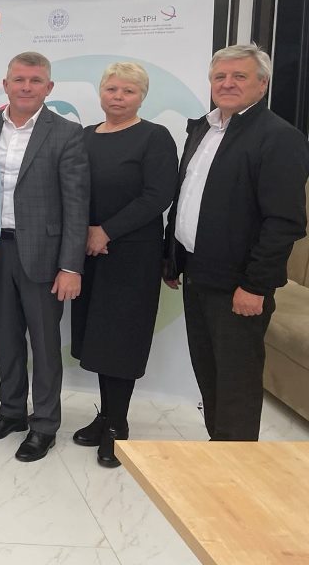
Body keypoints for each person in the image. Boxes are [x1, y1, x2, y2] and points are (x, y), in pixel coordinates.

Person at [164, 44, 309, 442]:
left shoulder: (279, 138)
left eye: (239, 76)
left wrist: (255, 286)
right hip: (197, 274)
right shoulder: (203, 129)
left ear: (262, 85)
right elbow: (186, 196)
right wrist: (173, 259)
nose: (227, 83)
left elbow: (284, 222)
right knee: (209, 372)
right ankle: (219, 452)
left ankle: (236, 464)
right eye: (220, 77)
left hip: (238, 284)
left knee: (237, 383)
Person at [0, 51, 89, 462]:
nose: (26, 87)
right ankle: (11, 412)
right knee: (6, 339)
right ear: (5, 84)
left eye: (35, 80)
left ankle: (44, 425)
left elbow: (77, 204)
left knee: (44, 344)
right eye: (19, 79)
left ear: (49, 87)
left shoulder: (67, 133)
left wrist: (70, 265)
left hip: (44, 255)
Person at [70, 62, 177, 467]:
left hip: (132, 255)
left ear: (142, 97)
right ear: (101, 92)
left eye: (128, 91)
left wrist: (106, 231)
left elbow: (158, 195)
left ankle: (118, 424)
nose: (118, 96)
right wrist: (84, 231)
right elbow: (72, 189)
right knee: (98, 337)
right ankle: (105, 415)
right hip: (87, 252)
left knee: (122, 339)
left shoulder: (154, 137)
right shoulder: (84, 136)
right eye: (111, 89)